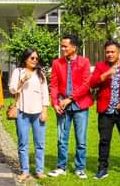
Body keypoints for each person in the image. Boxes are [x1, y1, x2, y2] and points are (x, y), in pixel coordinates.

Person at [90, 40, 120, 180]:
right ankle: (102, 169)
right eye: (107, 52)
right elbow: (92, 83)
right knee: (104, 141)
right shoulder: (100, 66)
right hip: (106, 111)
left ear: (119, 52)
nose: (110, 54)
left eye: (113, 52)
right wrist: (105, 74)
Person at [48, 35, 94, 179]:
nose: (62, 49)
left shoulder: (84, 62)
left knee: (81, 140)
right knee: (62, 139)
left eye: (65, 46)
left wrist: (70, 99)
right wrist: (55, 103)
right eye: (61, 46)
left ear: (74, 47)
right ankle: (61, 167)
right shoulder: (57, 63)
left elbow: (86, 85)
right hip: (62, 107)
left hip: (80, 106)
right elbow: (54, 85)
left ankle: (80, 168)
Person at [8, 49, 49, 181]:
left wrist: (45, 110)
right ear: (25, 59)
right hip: (22, 111)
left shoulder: (41, 73)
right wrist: (22, 80)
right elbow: (12, 89)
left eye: (36, 58)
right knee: (23, 143)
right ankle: (25, 171)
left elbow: (45, 93)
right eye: (32, 58)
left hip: (38, 112)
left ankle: (39, 170)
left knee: (40, 143)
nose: (35, 60)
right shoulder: (18, 71)